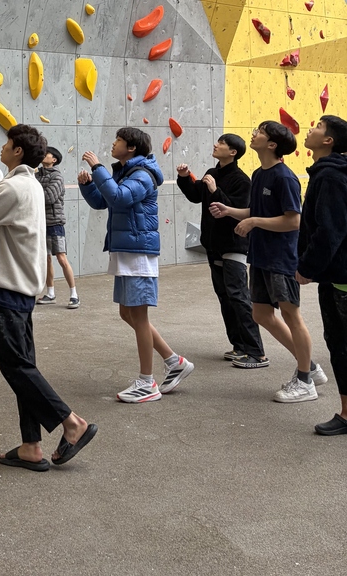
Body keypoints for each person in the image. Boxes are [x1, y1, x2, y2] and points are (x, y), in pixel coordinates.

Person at [0, 124, 97, 471]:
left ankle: (72, 423)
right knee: (23, 365)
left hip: (9, 287)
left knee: (15, 365)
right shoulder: (26, 184)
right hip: (21, 287)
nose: (2, 148)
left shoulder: (15, 187)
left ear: (17, 151)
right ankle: (31, 446)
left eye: (7, 143)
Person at [209, 120, 326, 403]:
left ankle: (305, 381)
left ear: (272, 144)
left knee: (291, 315)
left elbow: (293, 220)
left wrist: (254, 222)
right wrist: (230, 211)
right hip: (260, 256)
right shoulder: (259, 174)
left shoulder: (284, 177)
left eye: (260, 132)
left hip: (281, 259)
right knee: (261, 314)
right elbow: (257, 210)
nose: (253, 135)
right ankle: (309, 366)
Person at [79, 127, 193, 403]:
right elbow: (105, 202)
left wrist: (98, 168)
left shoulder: (142, 174)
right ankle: (174, 361)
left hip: (138, 252)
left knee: (139, 317)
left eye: (118, 140)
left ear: (131, 148)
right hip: (126, 250)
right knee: (127, 313)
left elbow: (119, 198)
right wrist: (88, 184)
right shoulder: (126, 172)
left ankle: (147, 382)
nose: (113, 144)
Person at [176, 134, 267, 367]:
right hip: (213, 245)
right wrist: (184, 178)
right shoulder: (212, 172)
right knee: (225, 297)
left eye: (222, 143)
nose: (216, 145)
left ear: (233, 152)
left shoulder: (242, 180)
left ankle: (256, 352)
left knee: (239, 296)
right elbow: (196, 195)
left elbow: (237, 210)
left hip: (234, 245)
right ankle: (239, 346)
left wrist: (215, 190)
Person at [296, 115, 347, 434]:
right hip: (335, 276)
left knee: (342, 346)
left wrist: (306, 268)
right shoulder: (328, 173)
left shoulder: (330, 176)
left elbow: (330, 230)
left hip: (340, 279)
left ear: (328, 141)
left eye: (317, 127)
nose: (310, 129)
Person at [33, 146, 79, 308]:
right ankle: (50, 293)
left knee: (61, 258)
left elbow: (49, 197)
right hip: (40, 224)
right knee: (46, 259)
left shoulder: (57, 177)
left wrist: (33, 192)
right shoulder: (36, 175)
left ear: (54, 160)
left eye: (47, 154)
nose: (43, 155)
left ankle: (74, 294)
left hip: (55, 222)